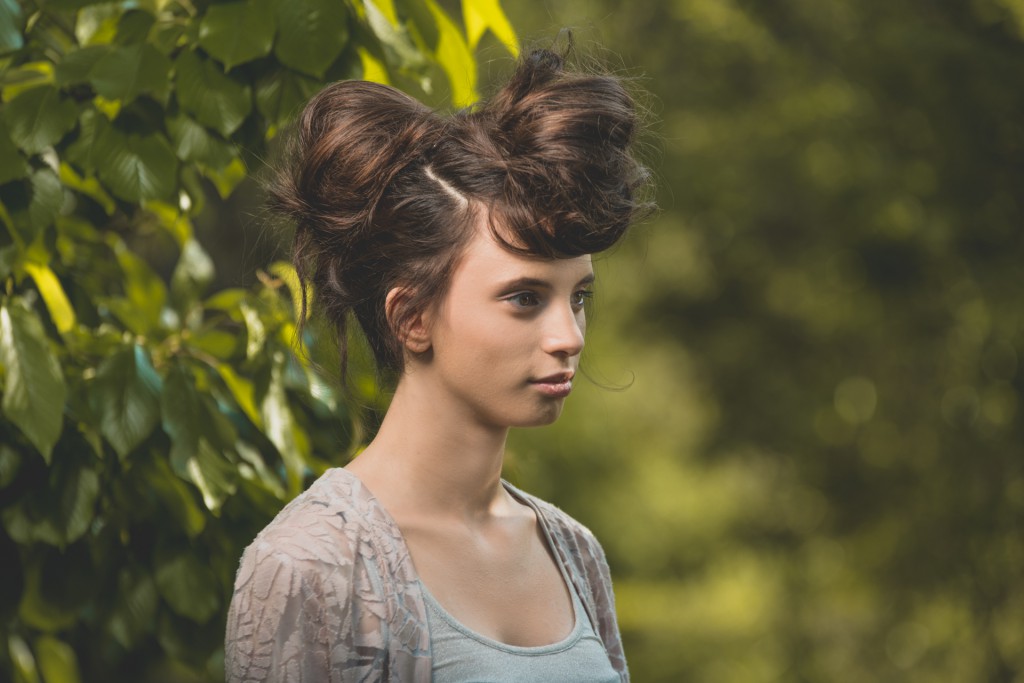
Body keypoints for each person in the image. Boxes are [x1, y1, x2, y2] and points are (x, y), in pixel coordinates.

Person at [224, 44, 652, 683]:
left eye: (579, 296)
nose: (569, 336)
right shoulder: (309, 568)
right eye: (524, 298)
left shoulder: (573, 553)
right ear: (411, 318)